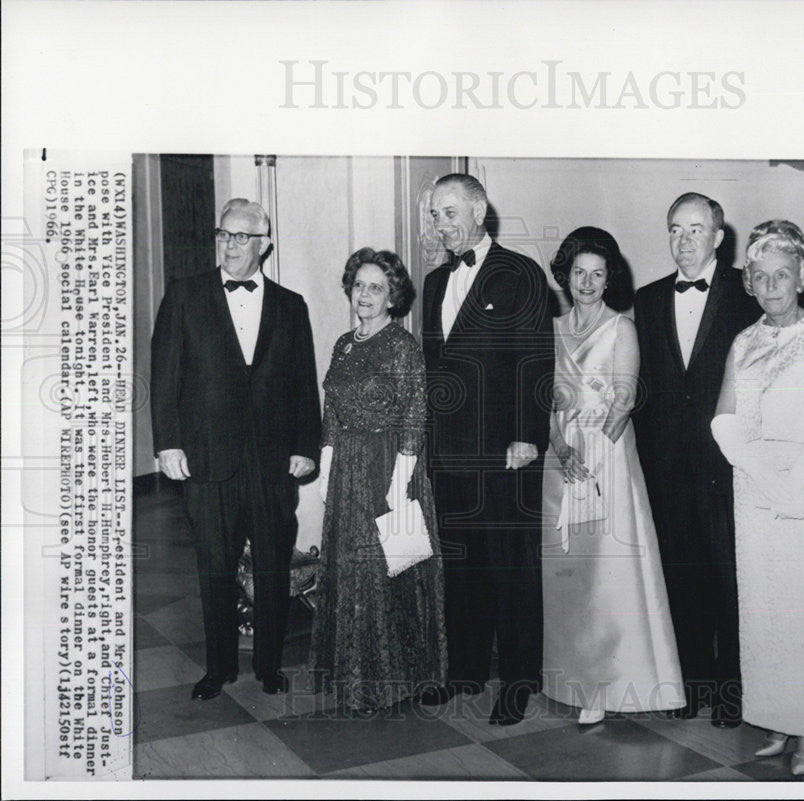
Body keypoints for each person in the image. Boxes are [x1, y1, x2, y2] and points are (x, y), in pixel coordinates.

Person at [150, 198, 321, 700]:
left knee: (272, 565)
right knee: (215, 567)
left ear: (263, 245)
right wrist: (167, 444)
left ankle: (269, 666)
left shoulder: (291, 306)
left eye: (242, 236)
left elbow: (303, 384)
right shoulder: (184, 296)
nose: (229, 244)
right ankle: (218, 667)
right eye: (223, 234)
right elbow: (164, 378)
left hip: (272, 463)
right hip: (207, 459)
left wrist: (305, 446)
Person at [712, 220, 804, 776]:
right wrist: (762, 479)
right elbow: (723, 421)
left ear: (803, 277)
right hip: (754, 492)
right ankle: (777, 716)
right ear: (748, 283)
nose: (771, 285)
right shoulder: (743, 342)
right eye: (760, 276)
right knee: (766, 611)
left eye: (782, 274)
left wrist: (787, 486)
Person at [419, 174, 554, 726]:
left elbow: (535, 361)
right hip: (449, 454)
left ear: (479, 211)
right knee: (462, 567)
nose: (441, 225)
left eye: (450, 213)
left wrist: (527, 434)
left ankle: (519, 682)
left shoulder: (520, 273)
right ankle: (466, 671)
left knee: (511, 569)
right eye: (435, 215)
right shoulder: (433, 283)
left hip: (505, 452)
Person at [540, 227, 685, 725]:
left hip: (606, 459)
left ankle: (610, 682)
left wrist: (591, 458)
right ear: (566, 274)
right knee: (569, 574)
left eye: (597, 274)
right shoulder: (553, 328)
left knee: (607, 571)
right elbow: (543, 402)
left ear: (609, 281)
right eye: (579, 272)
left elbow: (624, 400)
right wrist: (561, 449)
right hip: (562, 463)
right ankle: (574, 675)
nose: (587, 282)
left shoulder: (622, 328)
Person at [631, 192, 759, 727]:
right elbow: (643, 386)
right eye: (675, 229)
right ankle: (692, 685)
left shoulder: (748, 293)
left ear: (718, 236)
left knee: (730, 578)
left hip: (726, 461)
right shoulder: (648, 298)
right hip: (666, 464)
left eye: (695, 229)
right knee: (679, 576)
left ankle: (733, 691)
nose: (684, 240)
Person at [309, 247, 447, 714]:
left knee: (384, 573)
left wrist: (400, 480)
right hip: (348, 465)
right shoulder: (344, 343)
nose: (364, 295)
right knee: (351, 573)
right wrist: (326, 467)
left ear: (392, 297)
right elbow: (331, 409)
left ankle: (385, 685)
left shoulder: (401, 345)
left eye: (376, 287)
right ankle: (351, 677)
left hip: (388, 465)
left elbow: (415, 413)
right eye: (359, 285)